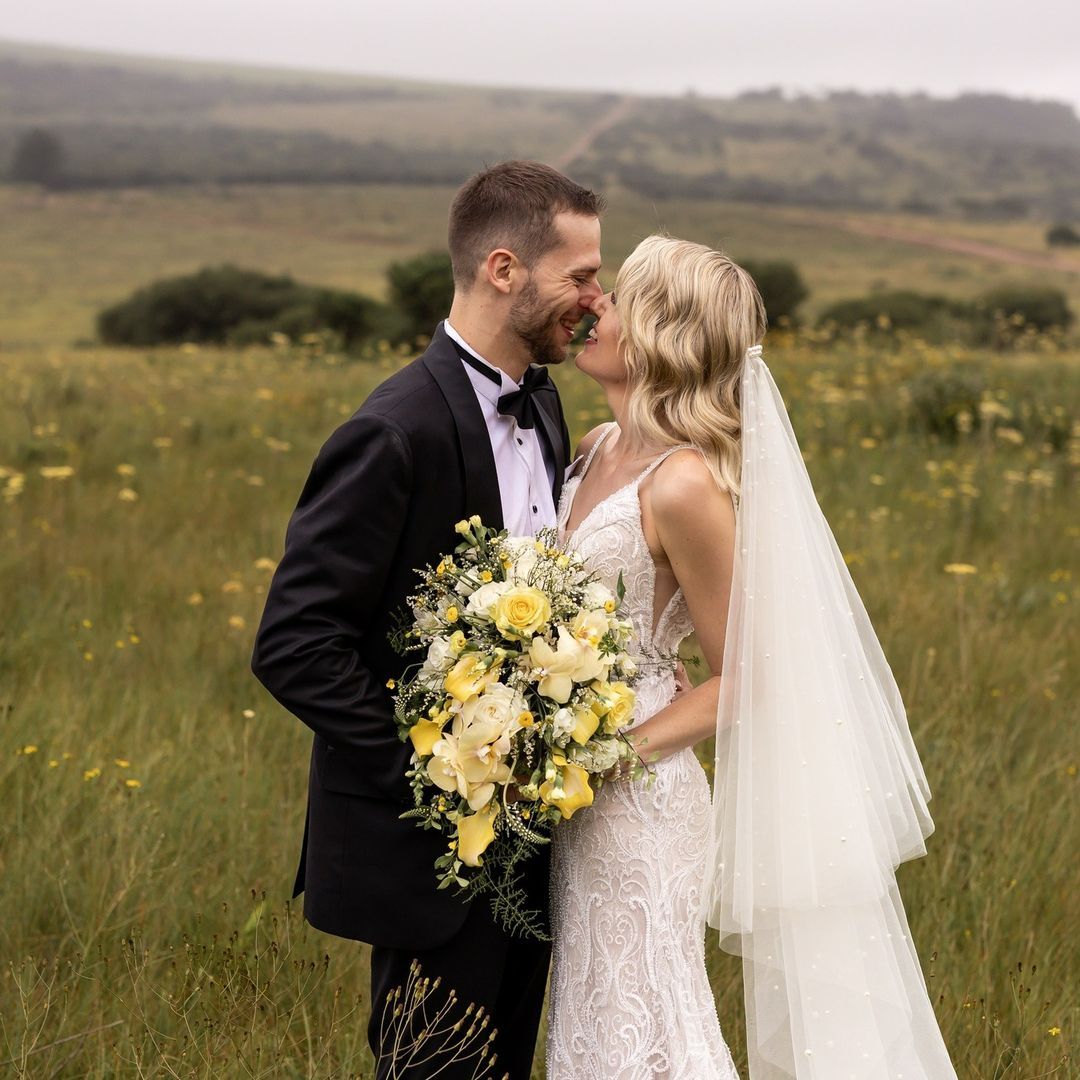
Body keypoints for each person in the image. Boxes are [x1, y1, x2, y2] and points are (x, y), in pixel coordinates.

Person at [547, 235, 957, 1079]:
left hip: (636, 799)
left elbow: (746, 677)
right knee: (594, 1018)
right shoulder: (590, 445)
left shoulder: (684, 483)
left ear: (662, 332)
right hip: (569, 785)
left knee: (645, 1020)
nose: (595, 306)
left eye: (617, 297)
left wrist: (604, 755)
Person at [251, 160, 604, 1080]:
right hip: (424, 859)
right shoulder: (394, 429)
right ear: (503, 269)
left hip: (536, 847)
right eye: (581, 276)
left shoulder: (549, 405)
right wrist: (446, 772)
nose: (596, 300)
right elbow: (293, 643)